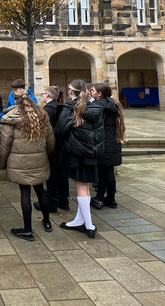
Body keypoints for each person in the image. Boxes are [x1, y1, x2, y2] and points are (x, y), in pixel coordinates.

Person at [0, 89, 55, 242]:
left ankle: (28, 230)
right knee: (41, 190)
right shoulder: (42, 115)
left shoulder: (11, 118)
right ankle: (47, 222)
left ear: (14, 100)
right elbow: (50, 140)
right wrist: (46, 153)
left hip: (20, 162)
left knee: (25, 193)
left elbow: (5, 145)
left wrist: (1, 164)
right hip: (39, 160)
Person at [55, 79, 104, 238]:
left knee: (81, 188)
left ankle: (89, 226)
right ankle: (78, 219)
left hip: (77, 153)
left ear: (71, 92)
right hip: (91, 153)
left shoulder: (70, 108)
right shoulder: (96, 107)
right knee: (85, 187)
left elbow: (60, 129)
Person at [34, 86, 69, 212]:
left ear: (47, 95)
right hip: (60, 145)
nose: (42, 95)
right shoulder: (60, 106)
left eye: (43, 93)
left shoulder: (48, 109)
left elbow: (44, 129)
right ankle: (63, 201)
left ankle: (51, 203)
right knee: (62, 174)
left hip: (52, 145)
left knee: (52, 175)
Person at [91, 82, 125, 210]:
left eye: (93, 90)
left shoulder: (98, 106)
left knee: (101, 173)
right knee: (109, 173)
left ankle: (99, 198)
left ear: (100, 94)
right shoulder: (112, 104)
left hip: (103, 143)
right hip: (113, 142)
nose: (91, 92)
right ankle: (111, 199)